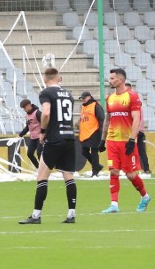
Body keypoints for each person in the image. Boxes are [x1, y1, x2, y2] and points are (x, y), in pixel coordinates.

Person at [19, 67, 78, 224]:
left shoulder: (46, 93)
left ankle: (36, 216)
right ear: (58, 78)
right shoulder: (68, 94)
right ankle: (71, 214)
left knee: (42, 176)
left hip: (54, 138)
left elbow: (46, 113)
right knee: (68, 176)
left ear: (45, 79)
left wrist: (43, 131)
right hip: (69, 138)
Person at [99, 69, 151, 213]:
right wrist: (102, 139)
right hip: (112, 140)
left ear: (120, 80)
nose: (110, 80)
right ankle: (114, 205)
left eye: (112, 78)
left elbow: (136, 119)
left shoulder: (132, 96)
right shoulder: (110, 98)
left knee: (130, 175)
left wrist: (132, 139)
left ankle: (145, 196)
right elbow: (107, 119)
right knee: (114, 171)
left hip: (126, 141)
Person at [126, 83, 151, 175]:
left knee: (130, 150)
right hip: (140, 130)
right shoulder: (137, 101)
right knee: (141, 151)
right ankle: (146, 169)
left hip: (134, 130)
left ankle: (131, 168)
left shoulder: (131, 101)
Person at [79, 92, 104, 177]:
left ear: (89, 97)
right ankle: (97, 166)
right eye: (82, 98)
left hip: (95, 132)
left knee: (94, 151)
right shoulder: (83, 107)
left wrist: (101, 132)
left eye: (84, 98)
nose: (83, 100)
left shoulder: (96, 106)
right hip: (85, 133)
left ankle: (95, 171)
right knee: (84, 151)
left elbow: (101, 119)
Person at [18, 99, 42, 169]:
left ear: (29, 105)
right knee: (30, 154)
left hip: (40, 137)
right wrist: (20, 135)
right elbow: (28, 127)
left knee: (39, 153)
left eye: (24, 108)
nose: (24, 109)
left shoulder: (38, 113)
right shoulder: (27, 116)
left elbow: (45, 123)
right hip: (33, 138)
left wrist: (44, 134)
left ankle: (43, 170)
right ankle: (39, 168)